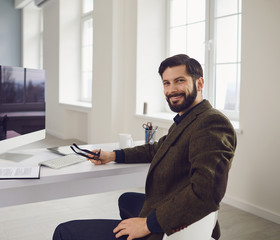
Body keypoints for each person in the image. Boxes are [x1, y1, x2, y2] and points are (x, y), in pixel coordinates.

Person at [53, 54, 237, 240]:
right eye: (166, 83)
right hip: (170, 199)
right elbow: (156, 149)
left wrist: (148, 224)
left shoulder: (211, 123)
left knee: (63, 232)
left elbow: (207, 193)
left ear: (199, 83)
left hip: (174, 228)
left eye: (179, 81)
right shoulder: (187, 119)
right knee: (126, 200)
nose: (171, 89)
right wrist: (113, 155)